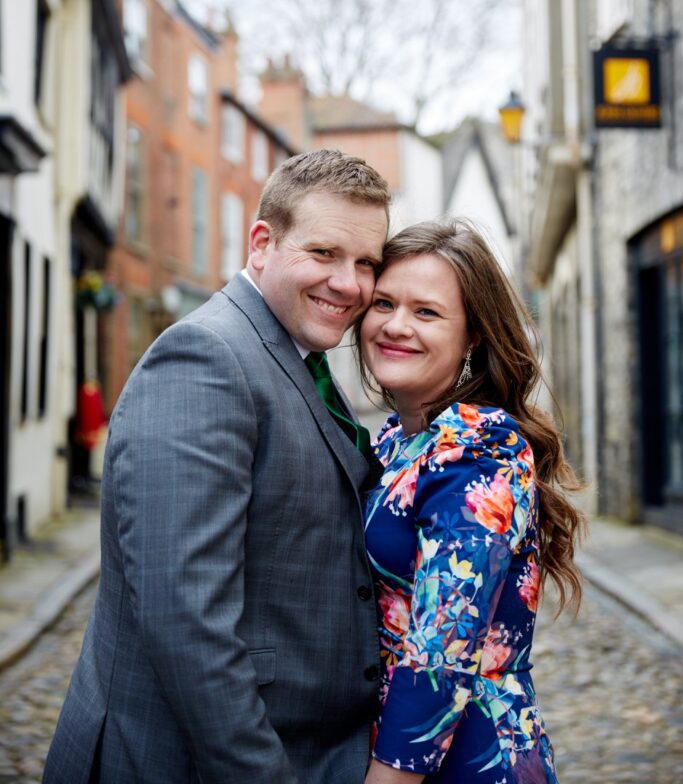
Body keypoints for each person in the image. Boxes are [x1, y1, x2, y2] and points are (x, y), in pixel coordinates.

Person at [43, 149, 391, 784]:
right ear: (262, 243)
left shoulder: (298, 354)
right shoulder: (205, 359)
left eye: (367, 263)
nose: (352, 284)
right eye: (324, 254)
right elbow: (186, 620)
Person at [356, 219, 584, 784]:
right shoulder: (398, 439)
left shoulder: (479, 446)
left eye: (426, 312)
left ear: (473, 336)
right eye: (383, 303)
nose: (396, 325)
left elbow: (444, 645)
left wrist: (388, 779)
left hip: (465, 758)